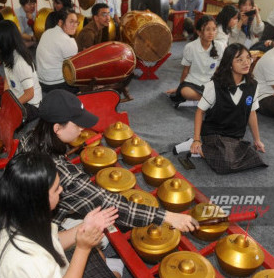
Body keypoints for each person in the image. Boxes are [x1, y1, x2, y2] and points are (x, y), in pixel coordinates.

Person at [18, 89, 199, 233]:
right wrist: (166, 216)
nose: (83, 128)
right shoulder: (62, 174)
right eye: (77, 124)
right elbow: (110, 205)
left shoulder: (29, 137)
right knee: (99, 240)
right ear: (57, 128)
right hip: (39, 229)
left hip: (24, 210)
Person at [0, 152, 121, 278]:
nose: (61, 190)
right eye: (56, 188)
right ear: (39, 198)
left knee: (99, 255)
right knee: (111, 274)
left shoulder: (12, 213)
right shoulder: (30, 260)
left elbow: (52, 241)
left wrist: (84, 226)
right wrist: (83, 249)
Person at [189, 43, 267, 174]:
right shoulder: (214, 85)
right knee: (227, 163)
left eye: (248, 58)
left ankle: (209, 152)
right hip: (214, 132)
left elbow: (252, 113)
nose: (246, 62)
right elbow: (200, 111)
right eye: (239, 60)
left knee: (255, 159)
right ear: (229, 64)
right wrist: (197, 139)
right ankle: (198, 147)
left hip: (235, 135)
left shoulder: (253, 85)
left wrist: (257, 140)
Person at [167, 15, 225, 107]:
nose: (211, 33)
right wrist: (180, 87)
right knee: (184, 91)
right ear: (199, 32)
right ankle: (207, 101)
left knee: (227, 90)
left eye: (214, 29)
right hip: (193, 82)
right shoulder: (190, 47)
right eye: (207, 29)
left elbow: (218, 70)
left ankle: (200, 100)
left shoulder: (219, 46)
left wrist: (218, 85)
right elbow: (186, 70)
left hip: (210, 83)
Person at [36, 8, 80, 94]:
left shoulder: (47, 32)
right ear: (60, 23)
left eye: (76, 22)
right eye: (71, 22)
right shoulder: (68, 41)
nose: (74, 25)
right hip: (55, 84)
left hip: (41, 82)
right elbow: (74, 71)